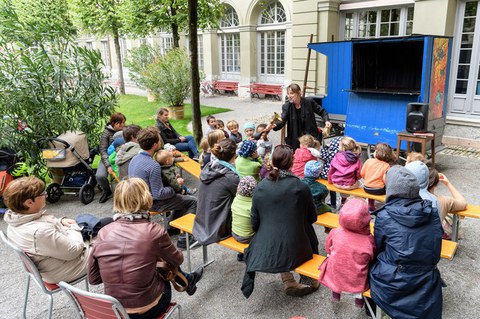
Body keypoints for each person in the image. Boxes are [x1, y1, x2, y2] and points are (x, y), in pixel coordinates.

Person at [88, 178, 204, 319]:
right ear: (145, 197)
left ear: (117, 200)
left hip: (114, 309)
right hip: (147, 308)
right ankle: (188, 280)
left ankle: (188, 279)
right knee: (163, 263)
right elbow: (178, 259)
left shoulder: (103, 233)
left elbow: (94, 279)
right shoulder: (154, 231)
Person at [241, 145, 319, 298]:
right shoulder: (301, 187)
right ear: (292, 163)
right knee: (306, 231)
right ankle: (310, 279)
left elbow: (254, 221)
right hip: (296, 242)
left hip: (266, 241)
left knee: (282, 231)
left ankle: (288, 279)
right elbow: (312, 218)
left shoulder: (260, 187)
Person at [3, 176, 112, 284]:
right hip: (70, 266)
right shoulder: (39, 232)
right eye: (42, 194)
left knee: (107, 223)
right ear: (29, 203)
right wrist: (74, 227)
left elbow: (43, 227)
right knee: (117, 237)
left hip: (57, 260)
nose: (45, 195)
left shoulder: (16, 220)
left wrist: (60, 221)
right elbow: (74, 251)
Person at [369, 165, 443, 319]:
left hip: (394, 281)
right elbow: (435, 250)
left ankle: (374, 311)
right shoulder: (431, 212)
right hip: (425, 279)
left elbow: (379, 247)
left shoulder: (384, 215)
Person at [128, 127, 197, 248]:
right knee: (192, 202)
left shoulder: (135, 159)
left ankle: (172, 227)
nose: (161, 143)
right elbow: (159, 194)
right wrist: (177, 185)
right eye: (159, 141)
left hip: (137, 200)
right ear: (155, 144)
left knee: (180, 197)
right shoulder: (153, 165)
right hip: (151, 203)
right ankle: (185, 238)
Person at [318, 198, 375, 308]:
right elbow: (372, 256)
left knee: (333, 264)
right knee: (362, 271)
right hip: (356, 279)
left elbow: (328, 248)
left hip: (335, 274)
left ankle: (336, 294)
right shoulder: (369, 240)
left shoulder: (335, 232)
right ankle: (359, 301)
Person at [193, 139, 240, 245]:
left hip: (202, 222)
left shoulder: (208, 167)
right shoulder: (230, 176)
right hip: (218, 228)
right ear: (234, 155)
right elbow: (244, 196)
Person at [270, 83, 331, 150]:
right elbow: (282, 120)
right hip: (295, 140)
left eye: (292, 93)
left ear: (299, 92)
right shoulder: (286, 106)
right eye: (288, 93)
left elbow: (322, 111)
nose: (289, 96)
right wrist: (275, 125)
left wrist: (327, 121)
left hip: (310, 138)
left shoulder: (309, 102)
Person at [428, 169, 467, 239]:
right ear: (436, 184)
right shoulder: (444, 201)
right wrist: (448, 183)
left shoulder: (408, 199)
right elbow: (463, 203)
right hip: (431, 244)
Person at [96, 112, 126, 203]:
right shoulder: (106, 133)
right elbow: (103, 150)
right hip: (108, 158)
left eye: (124, 122)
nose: (123, 125)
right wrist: (108, 165)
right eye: (121, 123)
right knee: (100, 176)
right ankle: (107, 191)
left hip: (122, 156)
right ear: (115, 123)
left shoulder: (125, 130)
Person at [361, 142, 396, 212]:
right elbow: (385, 180)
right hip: (379, 190)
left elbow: (362, 173)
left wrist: (367, 179)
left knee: (371, 187)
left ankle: (371, 204)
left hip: (366, 187)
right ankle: (384, 207)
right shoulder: (386, 165)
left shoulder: (368, 161)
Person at [328, 136, 362, 206]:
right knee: (361, 184)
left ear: (343, 148)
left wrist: (330, 181)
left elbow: (331, 170)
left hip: (336, 183)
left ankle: (343, 201)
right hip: (349, 184)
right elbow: (359, 173)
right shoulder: (356, 159)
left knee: (345, 183)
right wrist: (356, 179)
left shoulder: (337, 157)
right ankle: (345, 201)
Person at [231, 176, 257, 261]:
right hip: (247, 237)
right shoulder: (253, 204)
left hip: (234, 233)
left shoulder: (236, 199)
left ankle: (240, 254)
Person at [320, 136, 342, 209]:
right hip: (334, 175)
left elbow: (322, 155)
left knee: (323, 189)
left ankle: (322, 202)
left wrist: (325, 147)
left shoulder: (330, 153)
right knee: (332, 191)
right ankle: (333, 204)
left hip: (325, 174)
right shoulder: (340, 154)